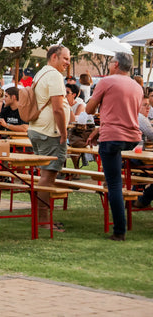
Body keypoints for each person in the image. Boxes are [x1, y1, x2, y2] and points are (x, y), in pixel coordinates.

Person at [85, 52, 143, 241]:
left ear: (116, 64)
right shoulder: (137, 86)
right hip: (132, 137)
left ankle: (120, 231)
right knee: (120, 178)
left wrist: (98, 104)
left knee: (115, 184)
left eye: (110, 62)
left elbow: (89, 110)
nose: (110, 64)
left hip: (112, 137)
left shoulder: (107, 82)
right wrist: (99, 130)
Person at [27, 44, 71, 233]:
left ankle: (42, 217)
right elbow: (57, 108)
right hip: (49, 132)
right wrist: (64, 132)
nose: (68, 63)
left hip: (37, 129)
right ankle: (43, 221)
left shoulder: (41, 73)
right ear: (54, 57)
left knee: (45, 175)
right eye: (65, 59)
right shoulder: (54, 75)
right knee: (47, 177)